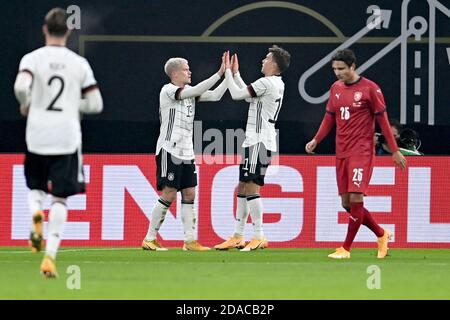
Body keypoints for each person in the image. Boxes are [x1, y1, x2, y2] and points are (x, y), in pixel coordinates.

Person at [13, 8, 103, 278]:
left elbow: (20, 87)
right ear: (69, 31)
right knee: (61, 198)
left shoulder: (32, 58)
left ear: (45, 29)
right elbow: (96, 104)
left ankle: (36, 212)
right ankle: (50, 256)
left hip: (37, 134)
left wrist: (26, 104)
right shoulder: (78, 64)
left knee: (35, 187)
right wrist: (72, 105)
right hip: (66, 137)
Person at [305, 49, 406, 259]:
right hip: (341, 150)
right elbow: (329, 118)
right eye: (334, 69)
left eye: (341, 68)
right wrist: (316, 139)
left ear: (353, 66)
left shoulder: (370, 89)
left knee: (356, 197)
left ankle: (346, 248)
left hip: (361, 151)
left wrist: (394, 150)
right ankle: (381, 233)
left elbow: (383, 122)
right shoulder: (336, 88)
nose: (337, 73)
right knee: (346, 203)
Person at [142, 54, 227, 251]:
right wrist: (219, 73)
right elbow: (198, 90)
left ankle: (190, 241)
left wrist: (228, 76)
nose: (190, 72)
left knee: (189, 193)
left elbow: (215, 95)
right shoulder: (169, 90)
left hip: (187, 152)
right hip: (169, 149)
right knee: (169, 192)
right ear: (174, 73)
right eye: (186, 69)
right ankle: (149, 238)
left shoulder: (189, 91)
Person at [214, 46, 291, 251]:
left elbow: (238, 95)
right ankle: (238, 236)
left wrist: (228, 72)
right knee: (243, 186)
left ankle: (259, 235)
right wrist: (237, 74)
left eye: (266, 58)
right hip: (254, 141)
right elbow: (248, 96)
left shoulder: (267, 82)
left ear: (274, 64)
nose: (263, 61)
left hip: (259, 141)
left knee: (251, 187)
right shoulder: (274, 83)